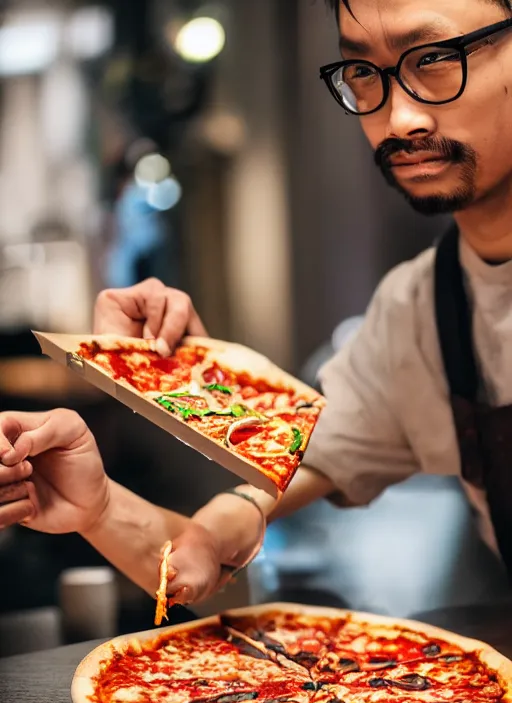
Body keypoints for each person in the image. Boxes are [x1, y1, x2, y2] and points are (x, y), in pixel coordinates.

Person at [2, 0, 512, 607]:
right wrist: (182, 391)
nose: (399, 118)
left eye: (433, 59)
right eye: (363, 73)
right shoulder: (422, 311)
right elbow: (204, 553)